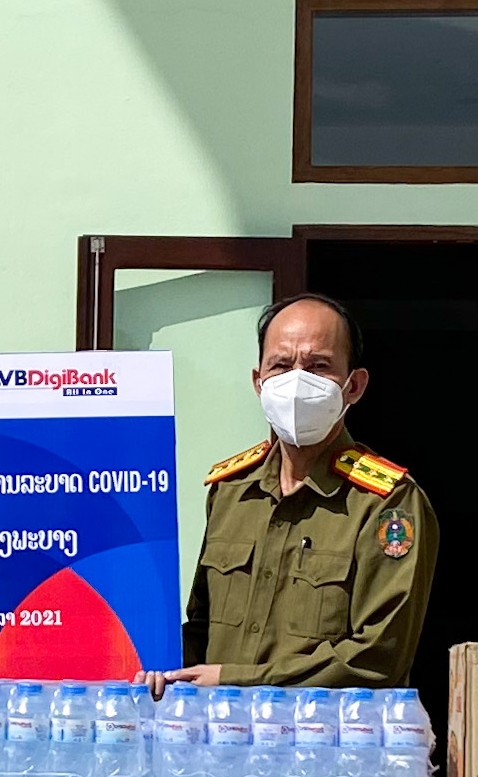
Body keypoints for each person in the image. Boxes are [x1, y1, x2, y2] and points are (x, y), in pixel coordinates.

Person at [159, 293, 437, 689]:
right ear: (258, 383)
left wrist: (236, 680)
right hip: (219, 725)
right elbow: (201, 629)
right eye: (281, 365)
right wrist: (154, 661)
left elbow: (377, 657)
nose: (296, 381)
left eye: (318, 366)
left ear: (354, 386)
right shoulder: (231, 491)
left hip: (323, 728)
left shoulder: (386, 503)